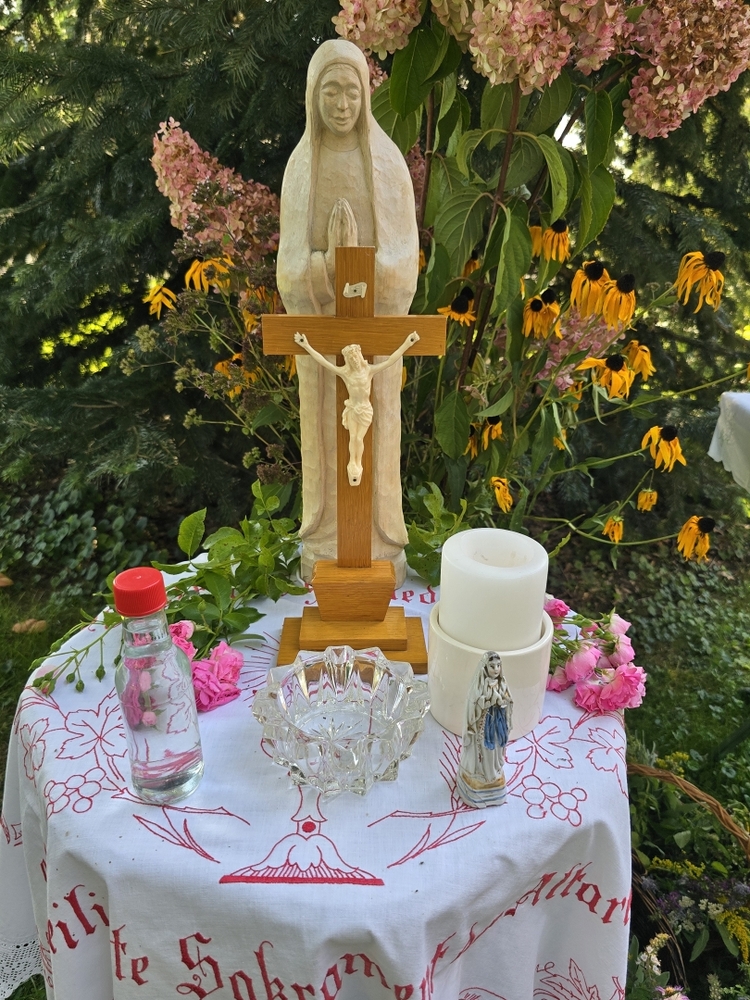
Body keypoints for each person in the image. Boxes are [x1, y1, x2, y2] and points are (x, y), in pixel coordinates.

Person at [276, 38, 419, 584]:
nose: (341, 104)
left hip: (373, 342)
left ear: (366, 96)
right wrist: (326, 267)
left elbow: (404, 261)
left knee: (374, 437)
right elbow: (290, 268)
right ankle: (324, 541)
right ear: (313, 97)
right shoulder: (301, 167)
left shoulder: (387, 163)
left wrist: (361, 266)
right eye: (330, 91)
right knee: (327, 439)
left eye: (351, 92)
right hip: (321, 340)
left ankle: (378, 543)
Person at [293, 332, 419, 486]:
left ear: (360, 356)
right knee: (353, 437)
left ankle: (358, 462)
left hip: (365, 410)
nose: (355, 361)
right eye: (351, 359)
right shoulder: (346, 373)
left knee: (359, 438)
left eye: (356, 357)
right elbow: (324, 363)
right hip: (353, 409)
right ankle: (353, 464)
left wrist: (408, 343)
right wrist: (305, 345)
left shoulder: (369, 370)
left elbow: (391, 360)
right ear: (348, 361)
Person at [457, 652, 513, 809]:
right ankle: (485, 774)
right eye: (492, 666)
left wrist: (504, 702)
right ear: (485, 668)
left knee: (497, 746)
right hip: (484, 724)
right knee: (486, 748)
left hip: (498, 722)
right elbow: (474, 705)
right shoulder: (480, 685)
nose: (496, 669)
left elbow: (508, 699)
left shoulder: (502, 683)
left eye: (498, 665)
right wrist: (487, 701)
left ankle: (495, 771)